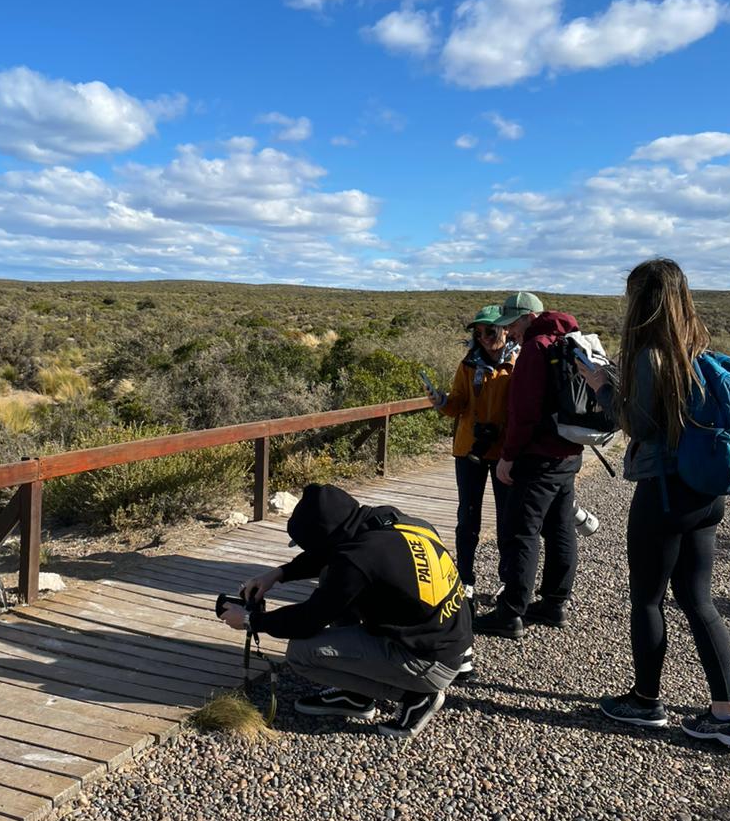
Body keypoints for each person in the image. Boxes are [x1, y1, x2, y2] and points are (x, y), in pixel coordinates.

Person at [578, 258, 730, 748]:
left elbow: (641, 426)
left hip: (665, 494)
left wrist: (603, 387)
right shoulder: (694, 348)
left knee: (647, 599)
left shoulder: (650, 354)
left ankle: (646, 701)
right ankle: (726, 713)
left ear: (642, 300)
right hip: (704, 494)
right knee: (698, 600)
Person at [218, 483, 472, 739]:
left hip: (428, 662)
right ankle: (356, 696)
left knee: (300, 653)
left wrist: (252, 620)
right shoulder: (387, 520)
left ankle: (415, 696)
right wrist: (278, 574)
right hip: (445, 639)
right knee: (334, 578)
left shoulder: (357, 560)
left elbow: (308, 620)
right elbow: (333, 555)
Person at [473, 291, 584, 639]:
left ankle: (511, 612)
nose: (512, 332)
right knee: (561, 527)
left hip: (538, 457)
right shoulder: (568, 341)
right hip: (569, 451)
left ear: (527, 318)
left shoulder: (536, 349)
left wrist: (508, 456)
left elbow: (524, 412)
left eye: (513, 324)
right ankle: (554, 603)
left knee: (522, 531)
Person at [429, 304, 517, 602]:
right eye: (478, 332)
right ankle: (465, 578)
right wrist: (441, 402)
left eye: (490, 331)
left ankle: (508, 580)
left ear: (505, 329)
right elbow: (458, 404)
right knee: (468, 517)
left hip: (506, 451)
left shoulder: (520, 362)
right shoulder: (468, 364)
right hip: (469, 449)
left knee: (508, 519)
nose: (483, 337)